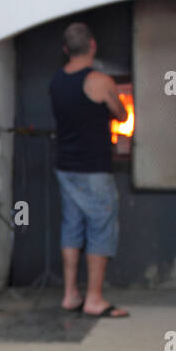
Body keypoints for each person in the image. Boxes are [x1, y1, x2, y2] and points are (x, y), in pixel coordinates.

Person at [49, 22, 130, 318]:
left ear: (66, 50)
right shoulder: (100, 81)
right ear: (93, 46)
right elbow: (122, 114)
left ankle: (70, 294)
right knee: (101, 227)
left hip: (65, 165)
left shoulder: (56, 81)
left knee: (71, 226)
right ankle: (95, 298)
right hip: (94, 168)